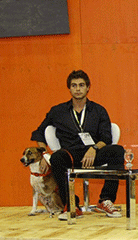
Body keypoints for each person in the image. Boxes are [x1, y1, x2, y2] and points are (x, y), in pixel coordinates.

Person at [31, 70, 124, 220]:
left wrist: (94, 149)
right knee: (56, 158)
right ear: (69, 89)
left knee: (118, 151)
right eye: (74, 86)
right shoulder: (58, 111)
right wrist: (42, 154)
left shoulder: (99, 110)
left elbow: (106, 137)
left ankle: (106, 200)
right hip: (70, 154)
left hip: (94, 153)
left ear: (88, 88)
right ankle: (72, 203)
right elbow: (39, 133)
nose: (78, 89)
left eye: (81, 85)